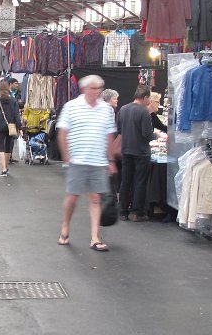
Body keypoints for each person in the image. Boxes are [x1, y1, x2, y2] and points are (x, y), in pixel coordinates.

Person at [56, 74, 118, 252]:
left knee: (95, 198)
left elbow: (109, 136)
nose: (96, 91)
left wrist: (110, 160)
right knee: (72, 198)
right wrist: (66, 155)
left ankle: (95, 237)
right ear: (84, 89)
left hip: (98, 162)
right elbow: (62, 133)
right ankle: (65, 228)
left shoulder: (106, 110)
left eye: (99, 88)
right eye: (93, 88)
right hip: (78, 160)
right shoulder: (71, 107)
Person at [117, 85, 154, 222]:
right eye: (149, 99)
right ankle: (136, 212)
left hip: (126, 150)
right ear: (144, 98)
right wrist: (155, 135)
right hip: (141, 152)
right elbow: (147, 134)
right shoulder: (144, 112)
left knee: (125, 181)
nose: (149, 102)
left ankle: (122, 211)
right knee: (140, 182)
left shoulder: (123, 109)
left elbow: (119, 129)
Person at [0, 78, 21, 177]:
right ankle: (7, 166)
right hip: (11, 125)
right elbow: (17, 115)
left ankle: (3, 168)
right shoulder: (13, 100)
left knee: (1, 146)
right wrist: (19, 127)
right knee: (8, 146)